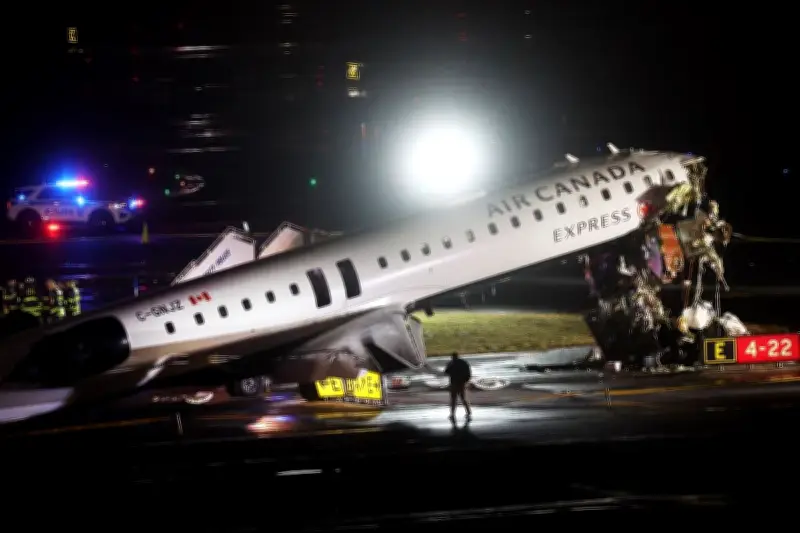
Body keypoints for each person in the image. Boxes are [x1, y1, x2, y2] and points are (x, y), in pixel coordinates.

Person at [444, 352, 472, 420]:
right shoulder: (464, 363)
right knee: (463, 398)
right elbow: (468, 373)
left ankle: (452, 414)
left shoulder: (451, 363)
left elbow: (446, 372)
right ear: (458, 356)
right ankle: (468, 412)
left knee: (453, 399)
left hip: (454, 383)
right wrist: (466, 380)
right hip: (461, 383)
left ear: (452, 357)